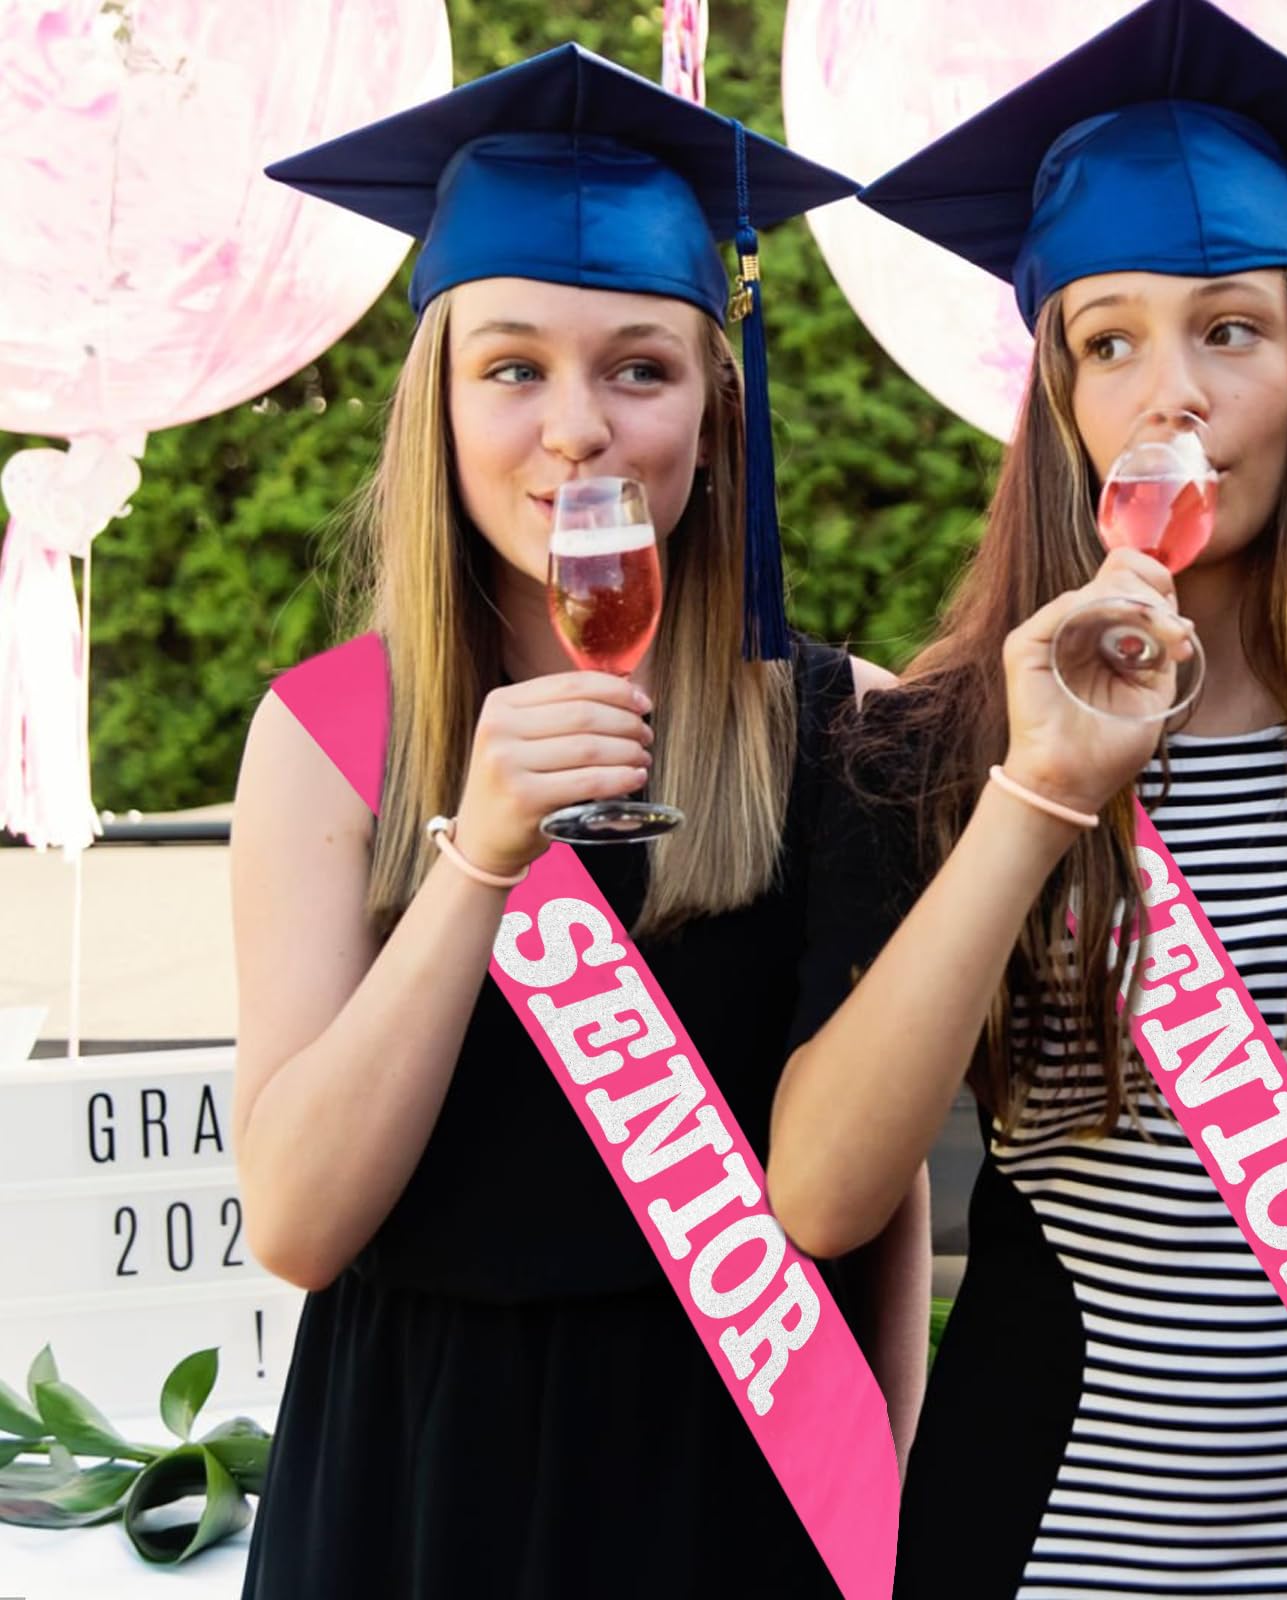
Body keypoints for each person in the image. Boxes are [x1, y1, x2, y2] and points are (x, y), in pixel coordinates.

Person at [766, 2, 1287, 1596]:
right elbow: (821, 1190)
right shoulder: (934, 746)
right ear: (1062, 405)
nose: (1173, 395)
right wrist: (1039, 788)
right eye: (1110, 340)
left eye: (1230, 330)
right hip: (1028, 1540)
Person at [229, 44, 927, 1600]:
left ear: (712, 405)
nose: (576, 430)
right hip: (417, 1478)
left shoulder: (840, 726)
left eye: (638, 367)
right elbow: (295, 1222)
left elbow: (873, 1209)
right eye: (513, 368)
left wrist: (878, 1493)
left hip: (738, 1464)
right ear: (439, 404)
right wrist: (475, 859)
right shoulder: (328, 736)